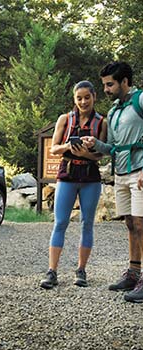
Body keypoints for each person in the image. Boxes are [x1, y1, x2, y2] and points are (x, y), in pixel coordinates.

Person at [82, 61, 143, 303]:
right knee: (130, 223)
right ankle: (133, 272)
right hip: (121, 173)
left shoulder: (140, 100)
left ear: (125, 82)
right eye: (104, 85)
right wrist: (95, 144)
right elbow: (114, 149)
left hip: (140, 172)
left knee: (141, 224)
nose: (105, 90)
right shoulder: (115, 110)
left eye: (110, 85)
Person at [40, 80, 107, 289]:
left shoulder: (101, 122)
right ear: (74, 99)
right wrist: (70, 145)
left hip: (90, 176)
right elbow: (53, 149)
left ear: (94, 97)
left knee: (87, 223)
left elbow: (101, 154)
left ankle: (81, 270)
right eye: (79, 98)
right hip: (67, 174)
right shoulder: (65, 119)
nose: (83, 101)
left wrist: (86, 151)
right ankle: (52, 271)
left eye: (87, 97)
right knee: (60, 223)